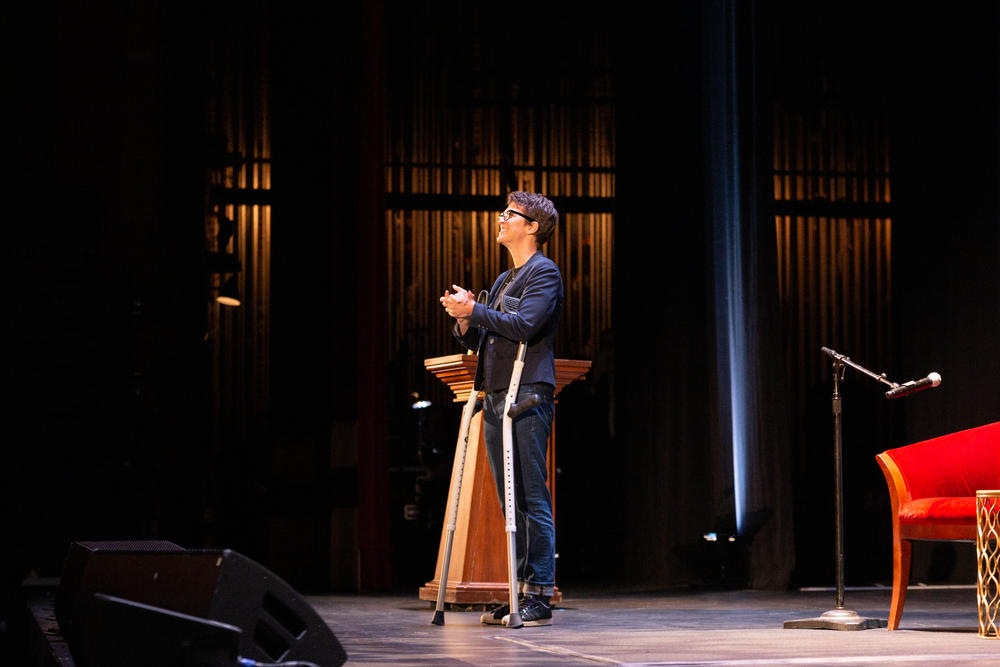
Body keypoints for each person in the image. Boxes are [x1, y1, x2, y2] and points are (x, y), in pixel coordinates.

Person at [439, 191, 563, 626]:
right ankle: (517, 590)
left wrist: (479, 310)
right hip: (494, 392)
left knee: (530, 495)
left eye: (511, 215)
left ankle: (539, 593)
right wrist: (465, 318)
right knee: (508, 499)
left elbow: (526, 325)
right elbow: (486, 339)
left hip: (526, 392)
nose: (501, 218)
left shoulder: (543, 274)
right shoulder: (504, 278)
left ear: (532, 227)